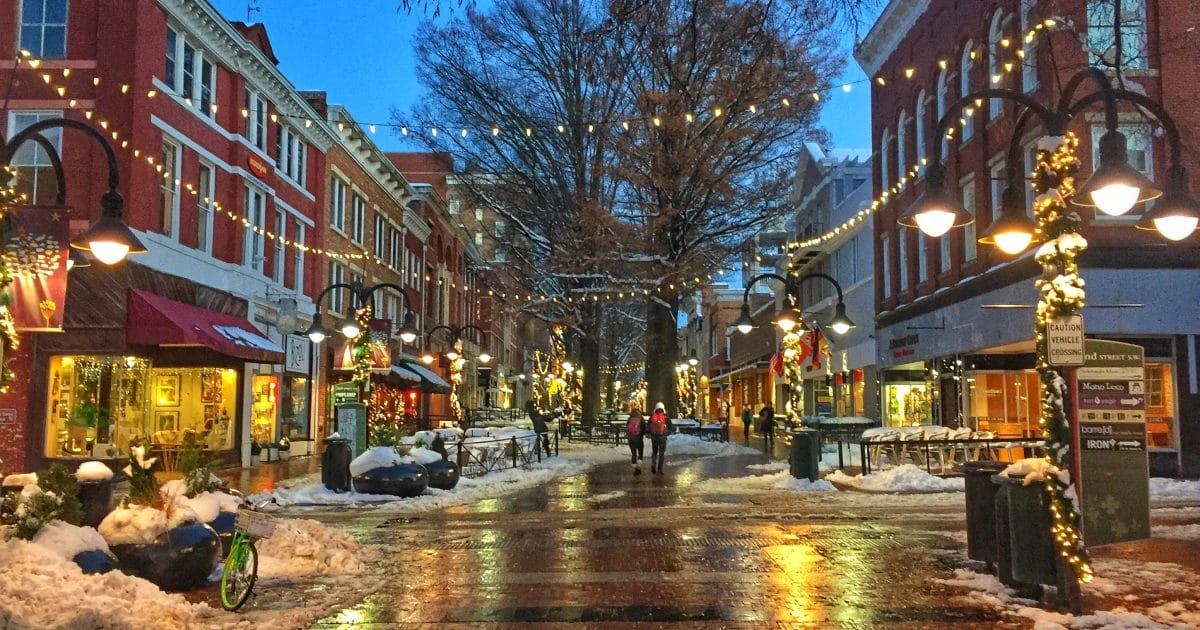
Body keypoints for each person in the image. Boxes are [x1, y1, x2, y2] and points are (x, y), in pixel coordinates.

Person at [648, 402, 673, 474]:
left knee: (654, 452)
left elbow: (649, 426)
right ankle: (659, 469)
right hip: (662, 437)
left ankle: (653, 464)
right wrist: (666, 433)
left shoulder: (652, 416)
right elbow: (671, 427)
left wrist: (650, 433)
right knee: (661, 453)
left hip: (654, 437)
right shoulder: (665, 417)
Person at [625, 409, 647, 474]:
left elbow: (627, 428)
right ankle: (639, 466)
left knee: (634, 453)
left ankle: (634, 467)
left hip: (631, 439)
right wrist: (642, 434)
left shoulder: (630, 418)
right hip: (639, 438)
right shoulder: (641, 418)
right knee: (640, 452)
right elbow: (644, 429)